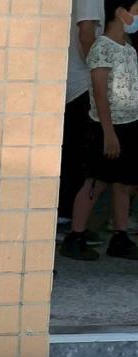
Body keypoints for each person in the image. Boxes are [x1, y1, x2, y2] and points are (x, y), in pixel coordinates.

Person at [62, 0, 138, 261]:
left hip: (129, 125)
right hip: (106, 128)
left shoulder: (129, 49)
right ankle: (75, 235)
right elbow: (100, 93)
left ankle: (120, 236)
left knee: (123, 183)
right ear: (120, 12)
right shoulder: (102, 48)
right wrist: (108, 132)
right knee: (96, 181)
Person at [60, 0, 105, 231]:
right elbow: (86, 33)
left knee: (70, 152)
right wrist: (100, 72)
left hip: (69, 81)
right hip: (81, 84)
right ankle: (69, 221)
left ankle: (65, 217)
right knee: (79, 157)